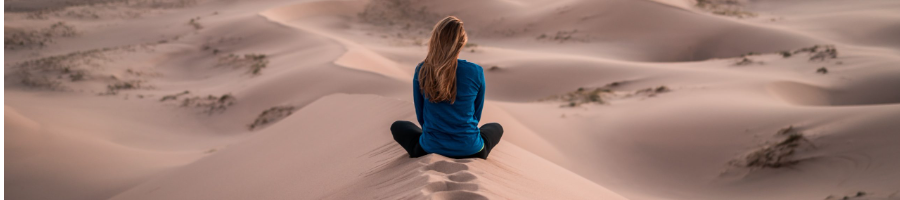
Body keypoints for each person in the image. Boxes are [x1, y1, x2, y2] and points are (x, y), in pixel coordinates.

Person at [390, 16, 504, 159]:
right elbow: (476, 114)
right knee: (496, 127)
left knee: (399, 126)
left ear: (434, 40)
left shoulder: (423, 70)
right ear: (462, 43)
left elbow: (421, 116)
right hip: (471, 149)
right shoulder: (476, 71)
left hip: (430, 148)